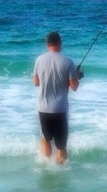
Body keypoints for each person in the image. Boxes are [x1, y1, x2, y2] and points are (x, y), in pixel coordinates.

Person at [32, 31, 83, 164]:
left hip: (43, 108)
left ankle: (47, 166)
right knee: (61, 146)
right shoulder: (68, 61)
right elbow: (74, 87)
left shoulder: (39, 60)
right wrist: (77, 77)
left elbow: (36, 82)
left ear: (47, 44)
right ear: (60, 43)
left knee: (45, 140)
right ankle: (60, 170)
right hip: (60, 109)